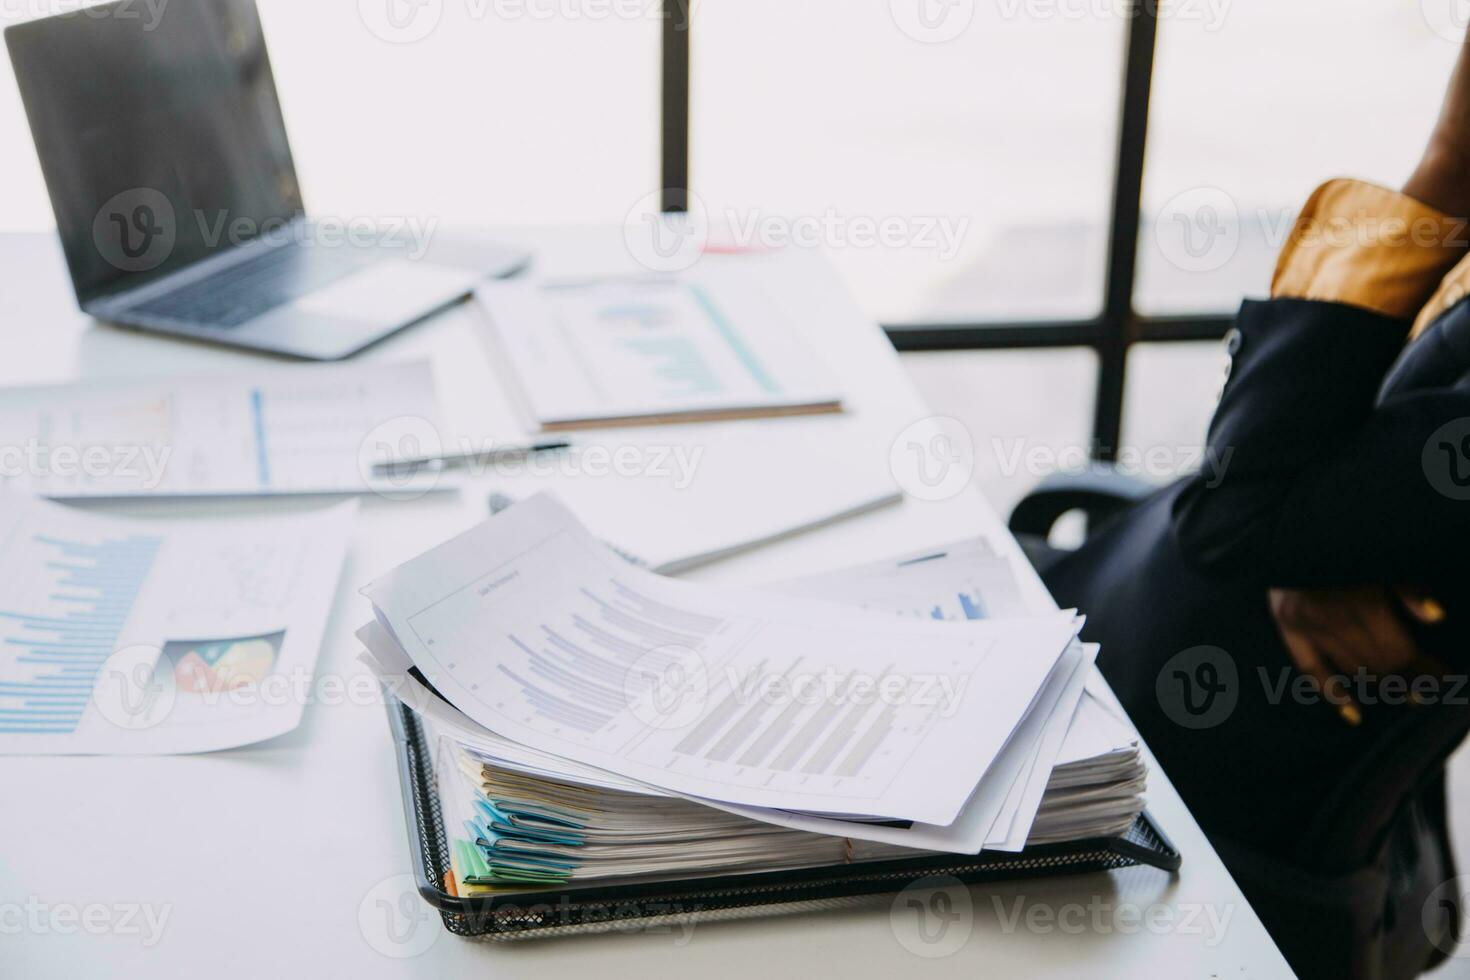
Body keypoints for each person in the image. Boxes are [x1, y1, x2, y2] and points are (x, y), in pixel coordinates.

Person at [1038, 30, 1470, 980]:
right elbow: (1274, 486)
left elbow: (1239, 511)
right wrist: (1310, 527)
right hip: (1088, 629)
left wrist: (1446, 169)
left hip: (1164, 794)